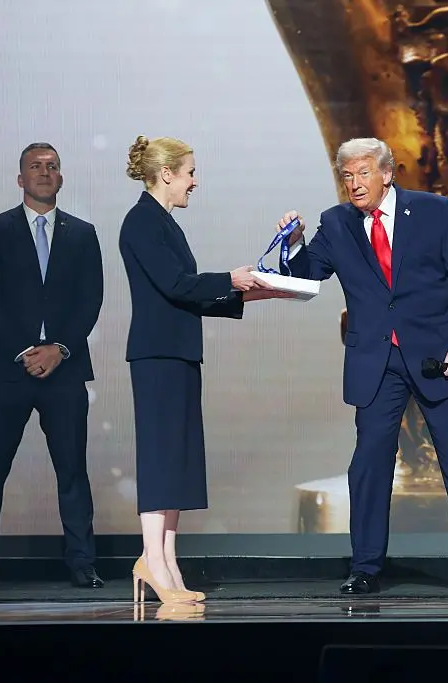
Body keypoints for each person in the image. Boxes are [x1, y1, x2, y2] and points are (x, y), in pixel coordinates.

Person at [281, 137, 448, 596]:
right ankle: (365, 566)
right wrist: (293, 245)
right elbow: (305, 277)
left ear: (387, 173)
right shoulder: (336, 223)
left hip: (437, 357)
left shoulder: (431, 210)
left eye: (363, 173)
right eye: (346, 176)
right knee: (368, 465)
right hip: (377, 361)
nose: (354, 184)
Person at [119, 135, 294, 603]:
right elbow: (177, 285)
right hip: (157, 355)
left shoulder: (165, 224)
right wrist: (231, 280)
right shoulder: (141, 222)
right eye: (190, 172)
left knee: (176, 460)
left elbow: (190, 294)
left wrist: (257, 292)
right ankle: (152, 561)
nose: (195, 182)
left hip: (177, 352)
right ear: (167, 173)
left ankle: (166, 562)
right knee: (160, 457)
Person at [0, 142, 104, 590]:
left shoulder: (83, 234)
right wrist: (27, 350)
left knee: (72, 471)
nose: (45, 172)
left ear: (61, 178)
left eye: (52, 167)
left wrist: (58, 348)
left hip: (65, 370)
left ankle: (82, 563)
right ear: (20, 178)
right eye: (35, 167)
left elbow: (91, 300)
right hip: (8, 370)